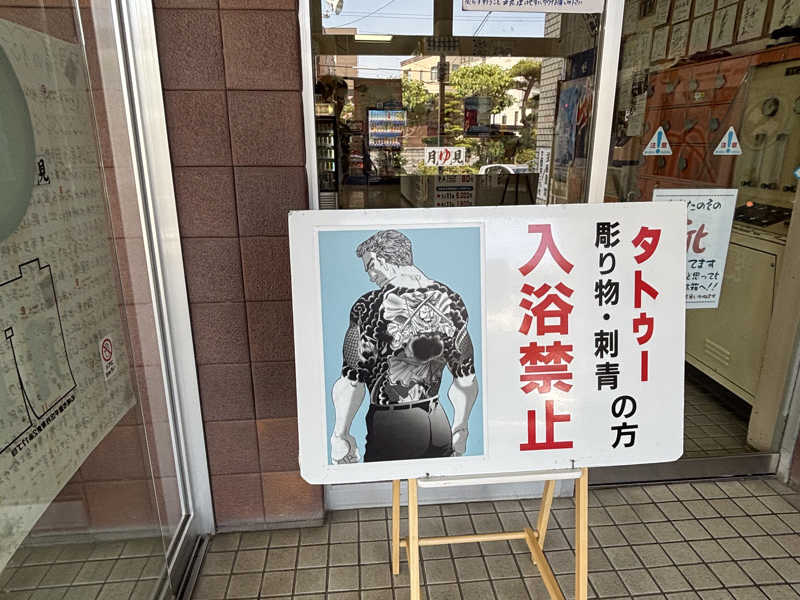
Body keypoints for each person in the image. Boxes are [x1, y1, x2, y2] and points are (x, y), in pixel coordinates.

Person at [330, 230, 479, 463]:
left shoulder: (369, 306)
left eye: (370, 267)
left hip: (392, 427)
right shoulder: (452, 300)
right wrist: (460, 428)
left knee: (388, 486)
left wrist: (341, 434)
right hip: (438, 423)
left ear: (382, 260)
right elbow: (466, 378)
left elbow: (352, 381)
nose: (370, 276)